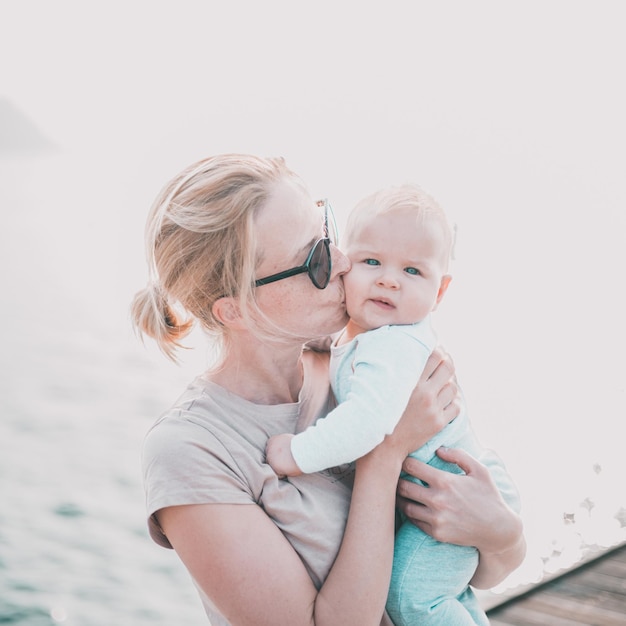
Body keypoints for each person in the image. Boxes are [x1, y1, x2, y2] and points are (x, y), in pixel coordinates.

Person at [131, 154, 526, 626]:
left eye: (328, 231)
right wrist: (385, 452)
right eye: (315, 260)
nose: (343, 261)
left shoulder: (359, 361)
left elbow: (480, 572)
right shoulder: (193, 450)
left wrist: (501, 533)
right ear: (235, 311)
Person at [266, 184, 522, 624]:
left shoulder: (393, 346)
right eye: (372, 262)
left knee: (411, 599)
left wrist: (297, 454)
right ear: (344, 265)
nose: (389, 279)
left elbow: (367, 423)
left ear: (439, 294)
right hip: (456, 483)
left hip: (447, 490)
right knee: (447, 600)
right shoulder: (372, 337)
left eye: (412, 271)